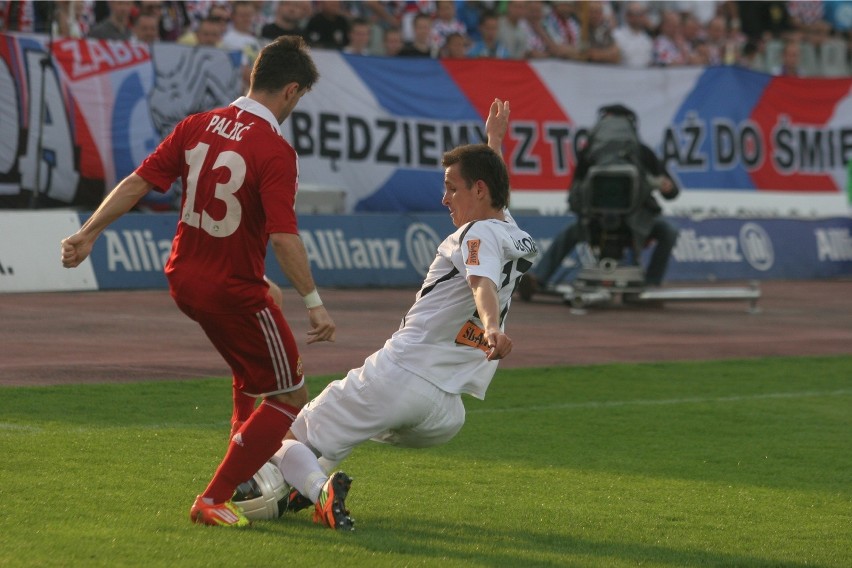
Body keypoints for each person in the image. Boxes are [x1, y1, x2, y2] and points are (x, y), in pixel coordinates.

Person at [60, 36, 336, 528]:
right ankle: (214, 497)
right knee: (290, 396)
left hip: (185, 279)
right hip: (230, 289)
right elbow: (284, 237)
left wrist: (87, 233)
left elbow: (138, 182)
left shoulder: (196, 125)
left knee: (255, 340)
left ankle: (242, 448)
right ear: (291, 91)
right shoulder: (274, 150)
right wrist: (314, 303)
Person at [270, 98, 537, 531]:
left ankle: (317, 490)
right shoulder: (512, 232)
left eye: (452, 186)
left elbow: (480, 283)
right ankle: (300, 489)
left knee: (286, 435)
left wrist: (490, 327)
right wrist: (494, 142)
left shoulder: (474, 234)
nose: (444, 196)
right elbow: (494, 204)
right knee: (342, 430)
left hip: (402, 374)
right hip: (445, 413)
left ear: (479, 190)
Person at [518, 104, 679, 300]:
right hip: (632, 226)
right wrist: (667, 188)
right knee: (668, 232)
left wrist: (584, 214)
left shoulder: (593, 154)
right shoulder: (638, 152)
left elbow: (574, 195)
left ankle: (539, 278)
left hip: (598, 225)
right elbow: (673, 192)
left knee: (570, 233)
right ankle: (651, 284)